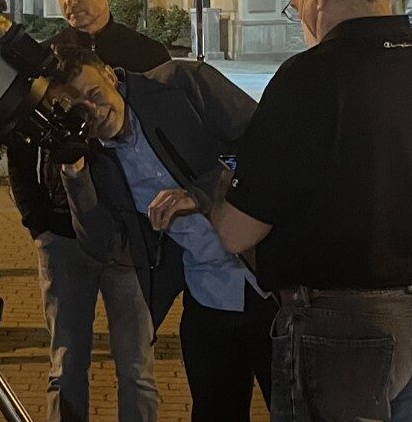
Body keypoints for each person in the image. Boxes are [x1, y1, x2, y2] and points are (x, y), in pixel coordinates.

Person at [158, 0, 412, 422]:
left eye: (294, 0)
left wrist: (213, 195)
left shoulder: (306, 79)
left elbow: (238, 231)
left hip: (340, 325)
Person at [49, 45, 276, 422]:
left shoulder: (182, 84)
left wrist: (201, 194)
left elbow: (265, 145)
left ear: (109, 73)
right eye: (78, 109)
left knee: (293, 409)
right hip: (207, 297)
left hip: (270, 286)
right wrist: (75, 173)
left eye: (94, 94)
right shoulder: (95, 158)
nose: (94, 112)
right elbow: (106, 245)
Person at [7, 0, 169, 421]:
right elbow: (18, 145)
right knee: (65, 364)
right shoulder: (40, 61)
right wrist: (36, 219)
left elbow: (166, 138)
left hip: (128, 237)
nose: (70, 0)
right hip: (61, 237)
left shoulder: (146, 54)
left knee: (137, 368)